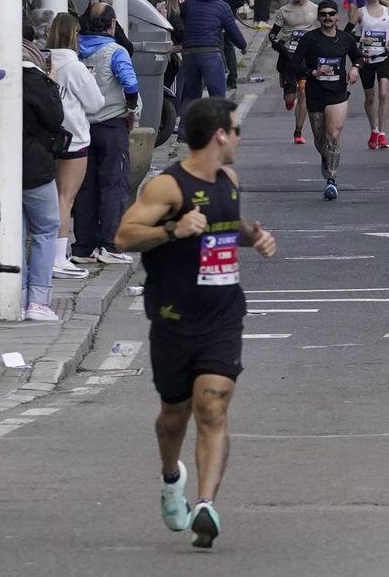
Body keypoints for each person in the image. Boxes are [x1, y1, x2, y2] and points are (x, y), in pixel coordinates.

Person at [115, 97, 277, 550]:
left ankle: (205, 504)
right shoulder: (168, 187)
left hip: (223, 314)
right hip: (172, 317)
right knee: (173, 417)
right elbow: (124, 235)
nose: (240, 140)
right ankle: (172, 480)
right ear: (221, 135)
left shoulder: (229, 179)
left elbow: (224, 227)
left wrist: (253, 237)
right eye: (237, 131)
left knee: (212, 406)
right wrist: (173, 231)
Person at [71, 4, 140, 266]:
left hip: (82, 127)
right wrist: (131, 108)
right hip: (112, 125)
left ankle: (83, 247)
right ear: (111, 25)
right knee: (114, 184)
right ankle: (110, 244)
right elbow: (131, 84)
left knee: (85, 187)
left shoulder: (76, 49)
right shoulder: (115, 51)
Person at [45, 12, 103, 280]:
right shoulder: (75, 67)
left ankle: (50, 253)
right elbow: (95, 104)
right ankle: (58, 256)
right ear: (74, 35)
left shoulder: (44, 61)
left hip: (48, 138)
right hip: (74, 138)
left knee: (52, 197)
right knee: (65, 199)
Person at [290, 0, 361, 201]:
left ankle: (331, 180)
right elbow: (295, 63)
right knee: (321, 140)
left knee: (333, 134)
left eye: (331, 14)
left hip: (337, 94)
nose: (328, 18)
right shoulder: (310, 39)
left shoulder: (346, 39)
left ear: (338, 16)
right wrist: (313, 71)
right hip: (315, 94)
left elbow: (358, 57)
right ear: (319, 17)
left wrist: (355, 68)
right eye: (324, 14)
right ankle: (325, 158)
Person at [19, 44, 67, 321]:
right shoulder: (36, 82)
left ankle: (18, 291)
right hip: (35, 168)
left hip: (5, 167)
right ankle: (37, 299)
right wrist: (52, 84)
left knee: (15, 231)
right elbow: (54, 118)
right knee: (46, 228)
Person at [177, 0, 248, 120]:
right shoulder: (222, 7)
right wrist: (242, 45)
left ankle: (184, 131)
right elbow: (233, 31)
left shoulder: (188, 5)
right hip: (210, 53)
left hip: (189, 53)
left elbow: (176, 17)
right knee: (217, 96)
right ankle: (218, 128)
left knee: (190, 94)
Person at [270, 0, 320, 145]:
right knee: (290, 99)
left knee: (304, 92)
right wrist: (277, 44)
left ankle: (298, 132)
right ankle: (287, 89)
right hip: (288, 58)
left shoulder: (315, 9)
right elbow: (272, 35)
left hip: (306, 59)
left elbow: (323, 33)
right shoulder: (284, 11)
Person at [350, 0, 389, 149]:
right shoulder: (360, 13)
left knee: (384, 94)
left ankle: (383, 134)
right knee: (370, 98)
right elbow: (345, 34)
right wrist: (359, 39)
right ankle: (374, 130)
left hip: (383, 58)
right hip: (366, 59)